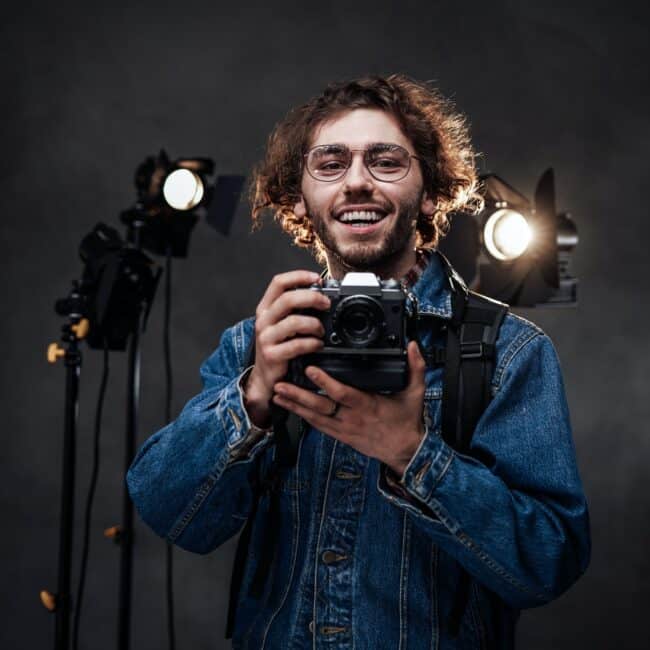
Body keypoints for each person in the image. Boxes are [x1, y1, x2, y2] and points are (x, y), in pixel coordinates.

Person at [127, 75, 590, 649]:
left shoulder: (506, 351)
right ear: (298, 195)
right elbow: (171, 516)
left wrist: (412, 454)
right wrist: (253, 397)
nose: (356, 183)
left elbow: (548, 564)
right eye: (329, 164)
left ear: (430, 189)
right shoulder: (259, 343)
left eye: (386, 162)